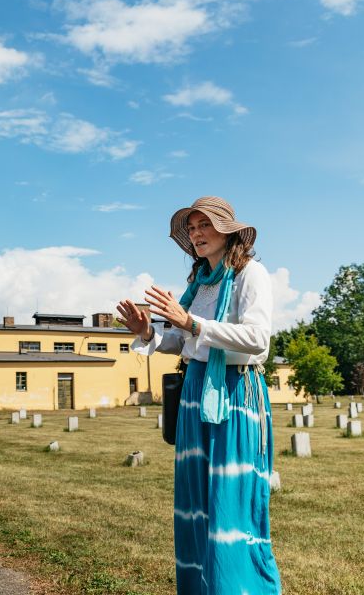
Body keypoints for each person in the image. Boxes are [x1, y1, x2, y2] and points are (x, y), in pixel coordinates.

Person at [117, 196, 281, 594]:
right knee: (197, 503)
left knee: (230, 503)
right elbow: (185, 342)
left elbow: (258, 341)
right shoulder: (198, 283)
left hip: (235, 391)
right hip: (195, 392)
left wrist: (191, 321)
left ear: (227, 230)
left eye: (204, 225)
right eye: (191, 229)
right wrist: (147, 332)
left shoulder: (250, 274)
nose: (196, 234)